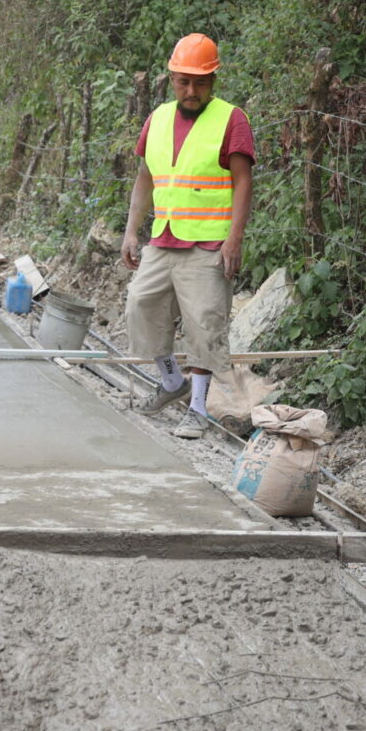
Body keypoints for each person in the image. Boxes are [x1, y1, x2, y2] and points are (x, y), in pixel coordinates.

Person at [121, 32, 255, 439]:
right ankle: (171, 382)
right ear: (172, 78)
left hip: (209, 243)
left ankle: (198, 409)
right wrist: (131, 231)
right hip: (163, 237)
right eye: (184, 81)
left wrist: (234, 239)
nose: (191, 90)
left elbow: (243, 182)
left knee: (204, 324)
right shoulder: (157, 118)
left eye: (200, 82)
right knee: (140, 305)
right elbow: (146, 177)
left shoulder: (231, 119)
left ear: (213, 80)